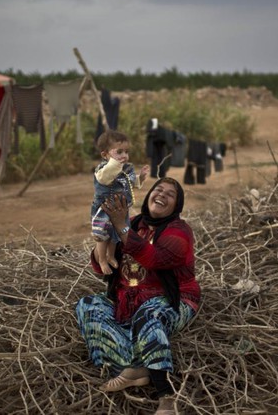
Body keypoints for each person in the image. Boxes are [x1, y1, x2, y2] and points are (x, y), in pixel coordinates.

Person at [76, 177, 201, 415]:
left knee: (150, 312)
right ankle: (133, 367)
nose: (162, 195)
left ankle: (167, 395)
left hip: (174, 299)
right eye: (158, 190)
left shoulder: (180, 231)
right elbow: (101, 267)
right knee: (88, 305)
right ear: (148, 196)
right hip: (128, 302)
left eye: (170, 194)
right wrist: (104, 232)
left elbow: (156, 259)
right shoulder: (133, 223)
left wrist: (121, 227)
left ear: (177, 205)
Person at [91, 131, 149, 275]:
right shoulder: (103, 170)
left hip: (121, 208)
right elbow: (105, 178)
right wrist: (114, 163)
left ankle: (110, 256)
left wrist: (140, 178)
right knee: (102, 234)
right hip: (105, 208)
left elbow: (128, 182)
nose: (124, 156)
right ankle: (102, 259)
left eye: (126, 152)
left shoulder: (127, 167)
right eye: (119, 152)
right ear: (105, 155)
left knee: (116, 234)